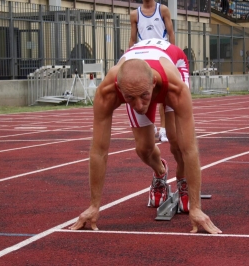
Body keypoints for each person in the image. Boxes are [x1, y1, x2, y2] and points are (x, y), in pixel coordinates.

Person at [69, 38, 222, 234]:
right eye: (130, 98)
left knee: (177, 142)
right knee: (143, 149)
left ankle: (182, 179)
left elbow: (190, 148)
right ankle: (160, 172)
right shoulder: (108, 91)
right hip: (137, 76)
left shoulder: (175, 88)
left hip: (174, 63)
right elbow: (99, 151)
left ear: (154, 84)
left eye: (144, 96)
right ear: (119, 88)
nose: (140, 106)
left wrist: (196, 208)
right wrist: (93, 206)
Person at [129, 0, 175, 143]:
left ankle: (163, 129)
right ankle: (151, 126)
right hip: (143, 57)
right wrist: (130, 58)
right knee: (143, 93)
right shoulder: (135, 14)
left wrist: (171, 56)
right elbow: (132, 38)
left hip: (160, 56)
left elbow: (171, 34)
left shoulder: (163, 10)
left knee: (163, 93)